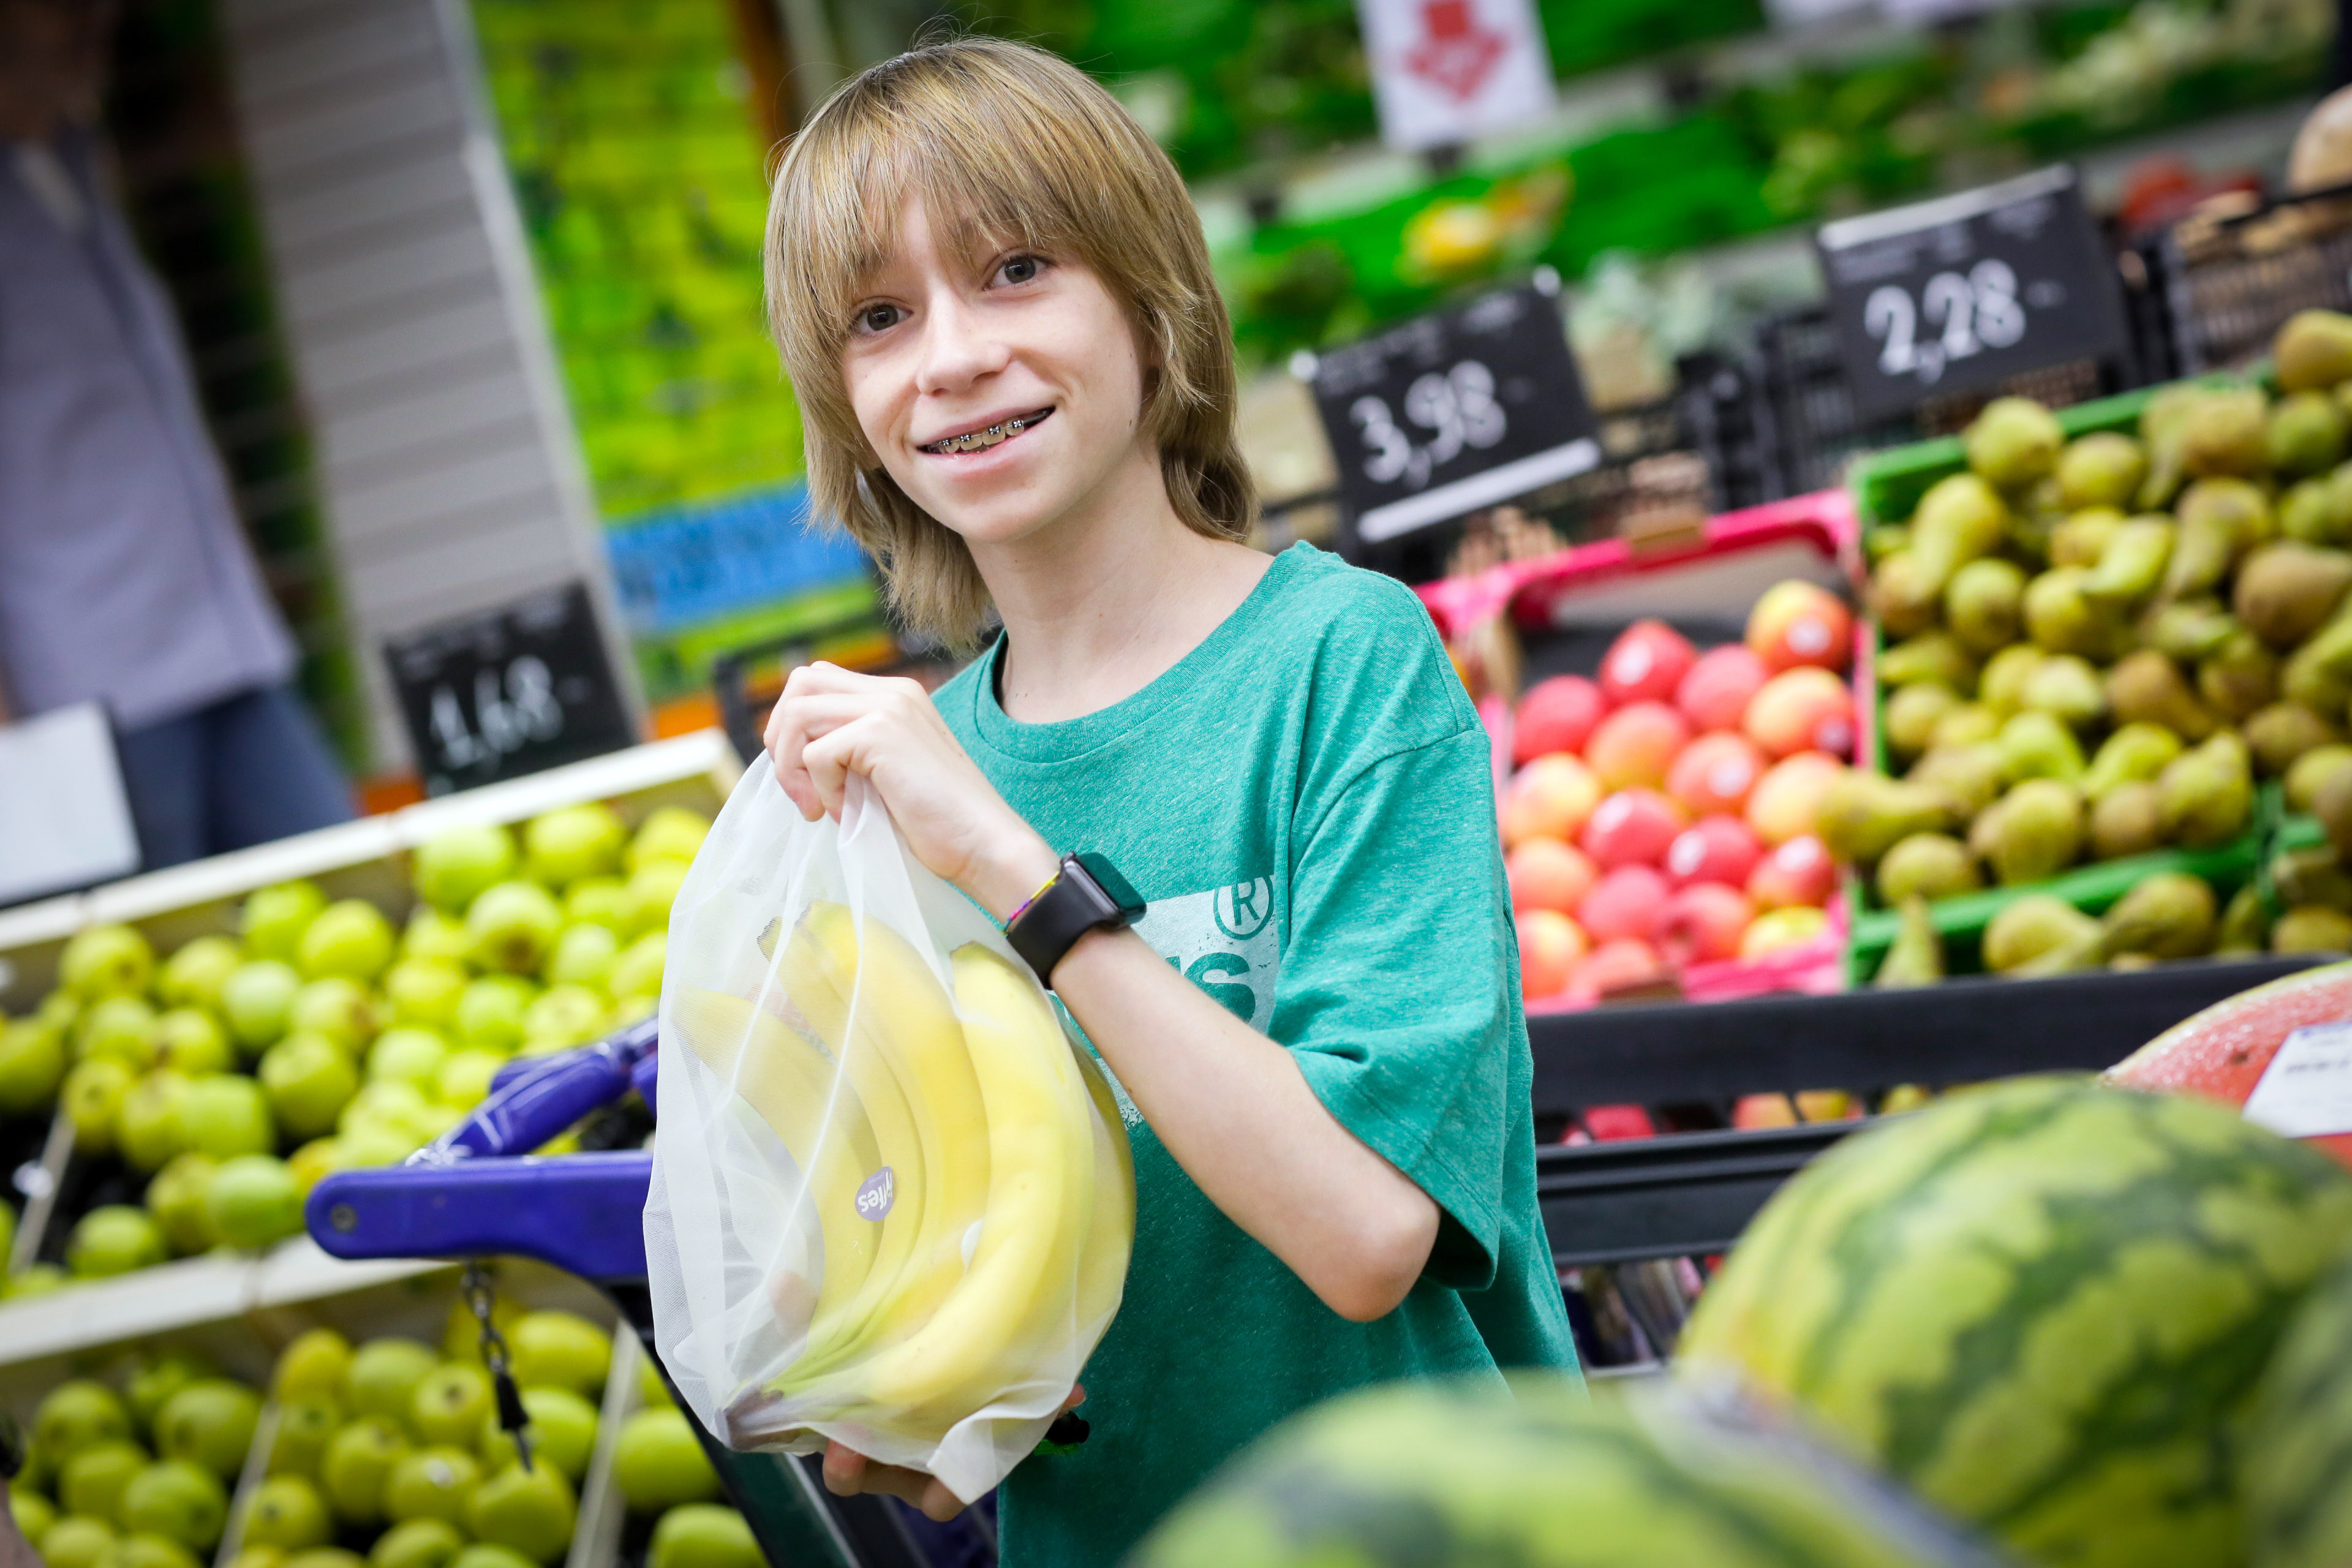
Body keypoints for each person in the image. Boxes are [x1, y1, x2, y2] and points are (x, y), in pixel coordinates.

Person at [758, 36, 1579, 1564]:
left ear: (1154, 303)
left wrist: (1017, 872)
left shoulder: (1342, 663)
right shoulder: (903, 781)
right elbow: (946, 1269)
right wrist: (895, 1383)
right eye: (879, 316)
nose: (948, 356)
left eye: (1014, 270)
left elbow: (1367, 1232)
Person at [0, 0, 353, 870]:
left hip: (227, 637)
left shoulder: (75, 161)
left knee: (345, 885)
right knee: (163, 957)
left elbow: (145, 409)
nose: (94, 21)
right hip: (85, 682)